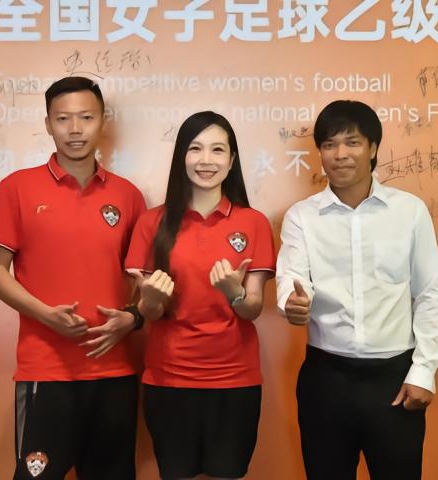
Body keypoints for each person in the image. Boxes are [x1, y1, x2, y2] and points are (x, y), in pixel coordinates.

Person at [0, 76, 146, 480]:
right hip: (46, 370)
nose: (75, 129)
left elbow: (143, 281)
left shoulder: (128, 196)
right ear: (47, 123)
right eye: (63, 118)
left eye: (86, 117)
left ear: (102, 121)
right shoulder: (17, 188)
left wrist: (131, 318)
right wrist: (46, 315)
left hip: (115, 371)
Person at [276, 100, 438, 480]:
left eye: (352, 142)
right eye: (329, 144)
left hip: (394, 378)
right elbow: (291, 279)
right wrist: (291, 303)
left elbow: (429, 293)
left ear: (372, 148)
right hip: (326, 378)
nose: (340, 154)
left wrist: (424, 371)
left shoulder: (409, 211)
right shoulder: (301, 217)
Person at [125, 111, 275, 480]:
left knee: (228, 473)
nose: (206, 160)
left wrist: (235, 293)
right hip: (168, 379)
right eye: (195, 148)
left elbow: (253, 308)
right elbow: (149, 312)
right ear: (181, 156)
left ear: (232, 160)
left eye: (217, 150)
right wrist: (152, 299)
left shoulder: (253, 222)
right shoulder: (152, 222)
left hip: (235, 381)